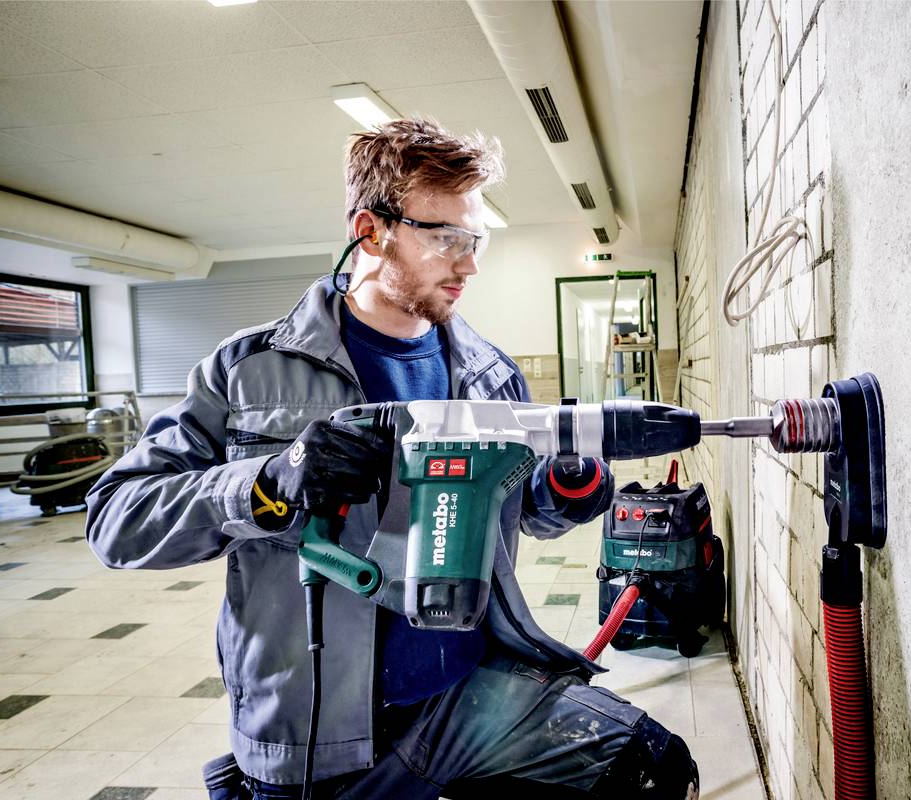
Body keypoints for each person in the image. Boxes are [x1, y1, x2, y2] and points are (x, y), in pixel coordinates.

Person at [86, 118, 699, 800]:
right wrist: (268, 483)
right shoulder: (248, 371)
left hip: (466, 695)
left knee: (651, 768)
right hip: (317, 736)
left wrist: (571, 478)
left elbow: (534, 516)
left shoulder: (489, 374)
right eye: (446, 239)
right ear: (370, 231)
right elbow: (116, 520)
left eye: (477, 240)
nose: (469, 263)